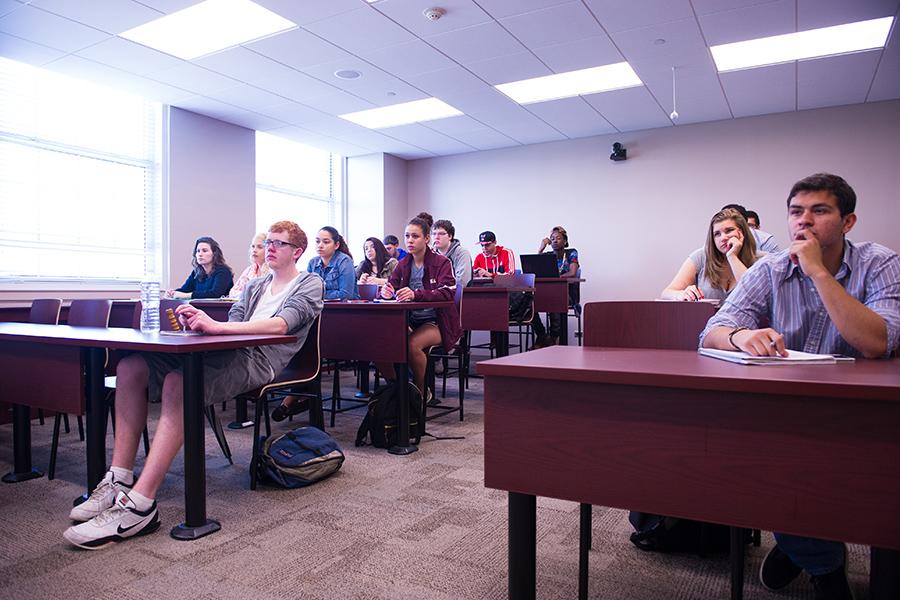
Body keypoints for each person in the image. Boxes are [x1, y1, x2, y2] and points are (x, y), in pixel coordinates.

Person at [64, 221, 324, 549]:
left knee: (180, 380)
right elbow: (232, 322)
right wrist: (202, 324)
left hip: (260, 360)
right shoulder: (255, 285)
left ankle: (141, 504)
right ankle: (118, 479)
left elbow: (283, 323)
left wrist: (217, 328)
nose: (269, 247)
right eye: (268, 242)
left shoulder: (310, 283)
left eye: (279, 244)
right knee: (131, 366)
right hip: (231, 350)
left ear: (297, 252)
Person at [701, 173, 900, 600]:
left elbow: (878, 342)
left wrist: (816, 272)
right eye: (796, 212)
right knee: (769, 456)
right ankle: (824, 562)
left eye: (819, 211)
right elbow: (712, 331)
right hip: (783, 411)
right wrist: (741, 337)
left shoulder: (879, 262)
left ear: (848, 222)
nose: (803, 222)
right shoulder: (770, 270)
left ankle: (800, 548)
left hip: (860, 413)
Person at [375, 215, 462, 403]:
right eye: (407, 236)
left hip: (437, 322)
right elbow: (391, 287)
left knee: (412, 344)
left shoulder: (441, 263)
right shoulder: (403, 264)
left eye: (415, 236)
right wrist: (386, 292)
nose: (410, 241)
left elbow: (447, 293)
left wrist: (416, 294)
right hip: (408, 320)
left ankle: (421, 393)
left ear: (426, 239)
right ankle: (400, 387)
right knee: (379, 344)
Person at [661, 208, 761, 302]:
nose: (723, 238)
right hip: (706, 319)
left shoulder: (762, 260)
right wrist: (681, 294)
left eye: (729, 230)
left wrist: (732, 256)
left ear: (742, 232)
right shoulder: (701, 257)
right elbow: (666, 293)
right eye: (717, 234)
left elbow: (754, 295)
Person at [531, 226, 579, 348]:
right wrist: (541, 249)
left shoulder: (571, 253)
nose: (555, 241)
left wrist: (556, 278)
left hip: (567, 294)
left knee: (554, 299)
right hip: (550, 293)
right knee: (528, 304)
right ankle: (542, 335)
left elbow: (573, 273)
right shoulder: (548, 255)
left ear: (565, 241)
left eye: (558, 238)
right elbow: (536, 268)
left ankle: (554, 337)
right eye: (552, 239)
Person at [166, 236, 233, 299]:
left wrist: (187, 295)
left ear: (214, 254)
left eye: (204, 251)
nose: (200, 254)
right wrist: (173, 293)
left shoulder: (223, 271)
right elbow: (185, 290)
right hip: (198, 308)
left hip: (219, 309)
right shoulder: (196, 272)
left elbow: (215, 294)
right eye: (198, 251)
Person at [307, 226, 358, 301]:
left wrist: (318, 294)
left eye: (326, 242)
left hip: (345, 309)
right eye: (317, 241)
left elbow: (346, 294)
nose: (320, 245)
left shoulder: (344, 261)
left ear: (336, 245)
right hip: (318, 308)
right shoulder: (312, 263)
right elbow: (307, 291)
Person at [432, 218, 472, 288]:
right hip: (435, 295)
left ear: (450, 236)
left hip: (456, 296)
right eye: (434, 234)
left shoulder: (462, 253)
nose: (436, 237)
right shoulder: (431, 254)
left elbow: (462, 282)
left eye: (441, 234)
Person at [228, 232, 269, 298]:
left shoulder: (273, 271)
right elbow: (232, 293)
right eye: (253, 246)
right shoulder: (249, 270)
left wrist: (246, 292)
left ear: (268, 249)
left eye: (260, 247)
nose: (254, 250)